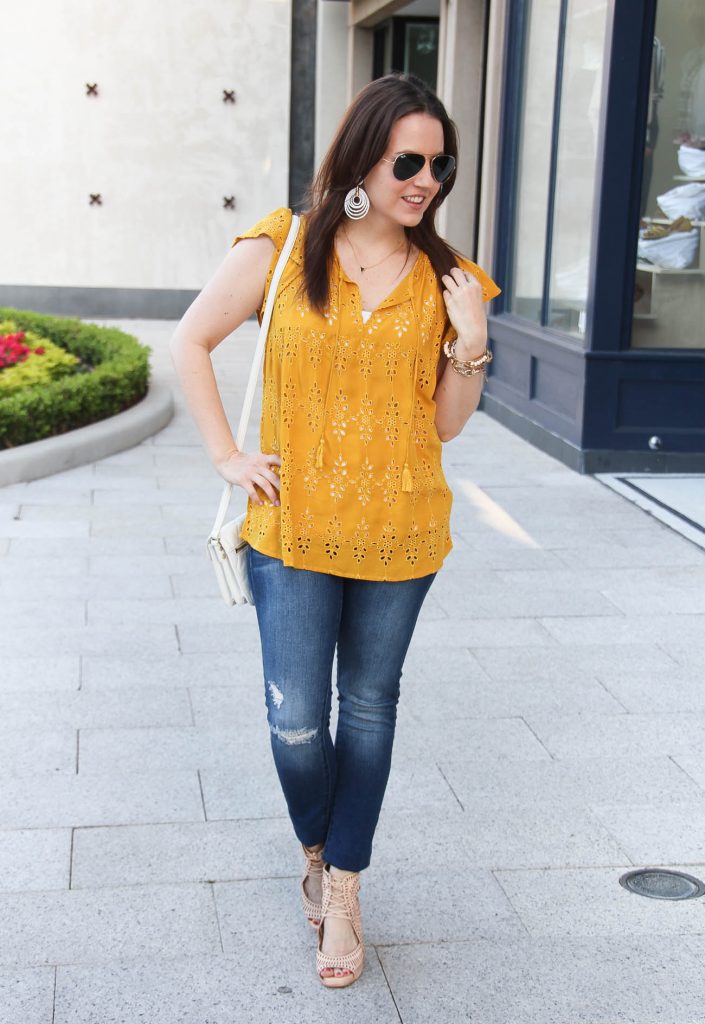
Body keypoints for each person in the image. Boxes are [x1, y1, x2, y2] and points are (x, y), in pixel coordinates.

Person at [169, 71, 500, 989]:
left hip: (400, 536)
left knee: (368, 710)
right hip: (291, 531)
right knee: (297, 721)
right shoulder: (283, 245)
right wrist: (229, 457)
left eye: (440, 165)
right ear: (362, 155)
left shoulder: (451, 277)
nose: (425, 179)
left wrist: (469, 341)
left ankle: (342, 887)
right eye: (408, 160)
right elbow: (190, 339)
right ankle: (315, 844)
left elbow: (444, 424)